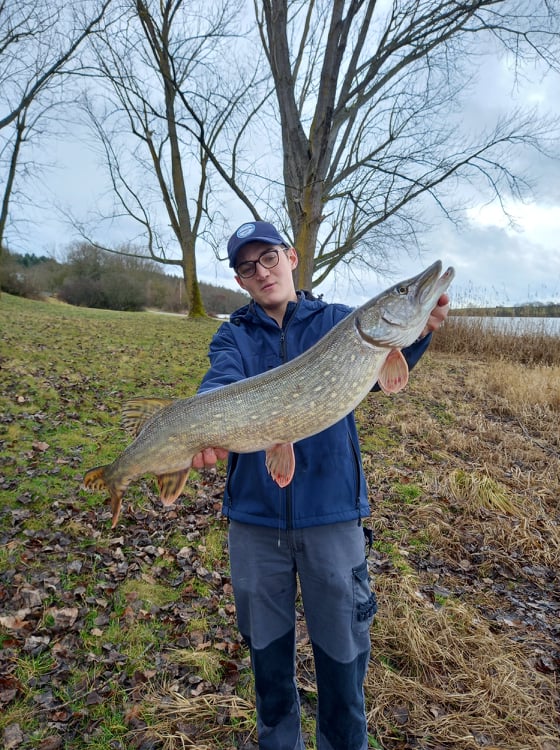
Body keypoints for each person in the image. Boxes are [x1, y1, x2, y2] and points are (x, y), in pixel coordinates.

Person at [192, 221, 450, 750]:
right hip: (255, 522)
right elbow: (220, 383)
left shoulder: (340, 322)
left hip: (332, 516)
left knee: (342, 667)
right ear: (239, 280)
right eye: (247, 266)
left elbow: (387, 369)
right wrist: (200, 426)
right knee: (268, 669)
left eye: (269, 258)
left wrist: (419, 331)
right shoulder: (232, 335)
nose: (262, 272)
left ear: (291, 257)